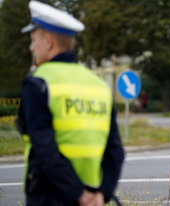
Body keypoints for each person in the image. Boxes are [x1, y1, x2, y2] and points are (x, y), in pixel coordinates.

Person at [15, 1, 124, 205]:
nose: (31, 47)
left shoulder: (38, 82)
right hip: (93, 197)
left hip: (49, 195)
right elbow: (115, 151)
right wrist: (102, 194)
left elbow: (44, 146)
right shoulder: (98, 85)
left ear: (48, 41)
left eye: (33, 40)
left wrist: (78, 194)